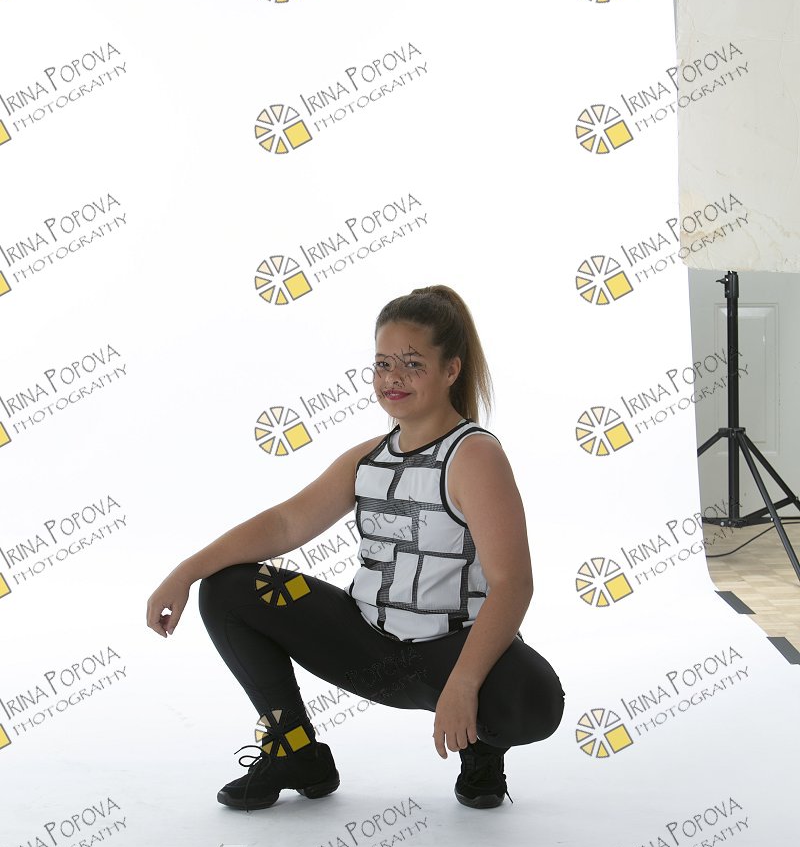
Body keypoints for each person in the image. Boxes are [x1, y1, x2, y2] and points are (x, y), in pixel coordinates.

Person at [146, 284, 565, 811]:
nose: (393, 378)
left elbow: (513, 583)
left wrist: (464, 684)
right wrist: (185, 571)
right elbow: (286, 522)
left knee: (534, 699)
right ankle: (295, 751)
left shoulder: (474, 456)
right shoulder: (367, 459)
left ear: (451, 370)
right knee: (227, 588)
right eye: (383, 364)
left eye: (412, 364)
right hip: (369, 646)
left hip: (448, 654)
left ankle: (482, 748)